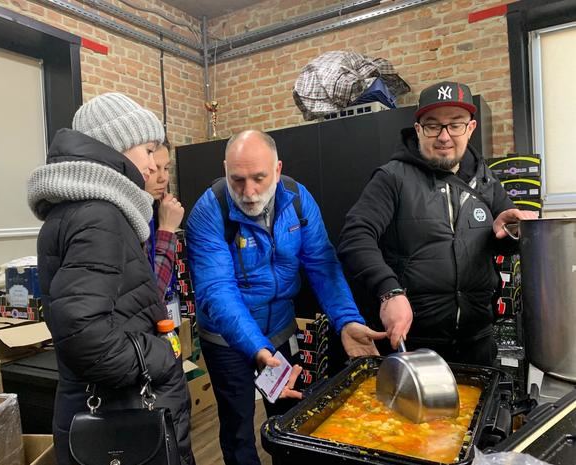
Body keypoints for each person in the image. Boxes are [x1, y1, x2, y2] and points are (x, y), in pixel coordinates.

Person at [186, 129, 386, 465]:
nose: (248, 192)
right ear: (224, 170)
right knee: (238, 426)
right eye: (237, 180)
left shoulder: (297, 198)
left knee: (290, 418)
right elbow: (217, 291)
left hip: (279, 330)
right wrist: (256, 348)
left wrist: (346, 319)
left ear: (277, 170)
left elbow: (322, 263)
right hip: (226, 340)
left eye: (259, 179)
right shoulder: (209, 211)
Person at [27, 93, 195, 465]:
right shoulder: (98, 214)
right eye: (149, 151)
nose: (154, 167)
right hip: (122, 412)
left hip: (114, 406)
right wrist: (160, 356)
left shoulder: (85, 209)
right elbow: (82, 331)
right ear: (118, 146)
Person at [337, 81, 538, 366]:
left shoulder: (486, 181)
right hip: (414, 344)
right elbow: (355, 236)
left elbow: (502, 242)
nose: (444, 136)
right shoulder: (392, 177)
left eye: (455, 125)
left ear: (470, 128)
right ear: (418, 129)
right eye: (433, 126)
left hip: (478, 341)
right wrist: (389, 292)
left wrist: (512, 231)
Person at [144, 140, 185, 301]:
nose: (163, 178)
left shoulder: (156, 208)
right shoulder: (128, 216)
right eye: (153, 169)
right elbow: (149, 297)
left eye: (166, 168)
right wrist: (167, 230)